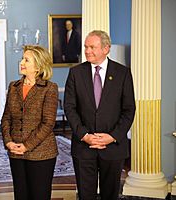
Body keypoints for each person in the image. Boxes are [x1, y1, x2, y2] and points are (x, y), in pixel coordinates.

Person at [64, 30, 136, 200]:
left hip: (113, 147)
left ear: (106, 49)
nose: (87, 51)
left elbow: (129, 110)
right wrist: (84, 135)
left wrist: (112, 136)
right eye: (86, 47)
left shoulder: (122, 73)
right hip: (84, 147)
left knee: (110, 195)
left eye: (92, 47)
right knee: (85, 195)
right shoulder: (76, 73)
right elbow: (70, 108)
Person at [1, 45, 59, 200]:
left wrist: (27, 146)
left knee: (39, 195)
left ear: (38, 66)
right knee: (21, 195)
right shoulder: (13, 87)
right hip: (16, 153)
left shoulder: (50, 88)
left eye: (26, 60)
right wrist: (9, 142)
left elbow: (48, 123)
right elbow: (6, 118)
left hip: (41, 153)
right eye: (22, 58)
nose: (21, 62)